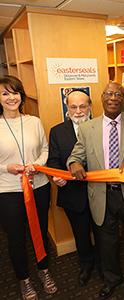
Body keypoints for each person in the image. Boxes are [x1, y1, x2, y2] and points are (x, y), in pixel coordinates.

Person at [67, 82, 124, 299]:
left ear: (123, 99)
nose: (113, 97)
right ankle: (112, 279)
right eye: (108, 94)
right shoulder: (88, 128)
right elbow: (76, 156)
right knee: (107, 243)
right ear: (102, 98)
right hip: (101, 194)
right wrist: (74, 164)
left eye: (117, 94)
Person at [0, 75, 57, 300]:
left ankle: (44, 271)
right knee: (15, 237)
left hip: (38, 186)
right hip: (8, 191)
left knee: (40, 232)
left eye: (14, 92)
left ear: (21, 96)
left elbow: (45, 149)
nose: (11, 97)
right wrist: (7, 168)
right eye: (5, 93)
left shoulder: (34, 121)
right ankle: (24, 278)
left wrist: (38, 164)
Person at [47, 89, 97, 286]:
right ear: (67, 108)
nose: (78, 111)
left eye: (83, 106)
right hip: (72, 193)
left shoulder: (99, 127)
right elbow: (52, 160)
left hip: (100, 192)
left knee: (103, 232)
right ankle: (86, 264)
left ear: (90, 107)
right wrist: (56, 176)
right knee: (81, 232)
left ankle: (104, 263)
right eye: (73, 107)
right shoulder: (57, 131)